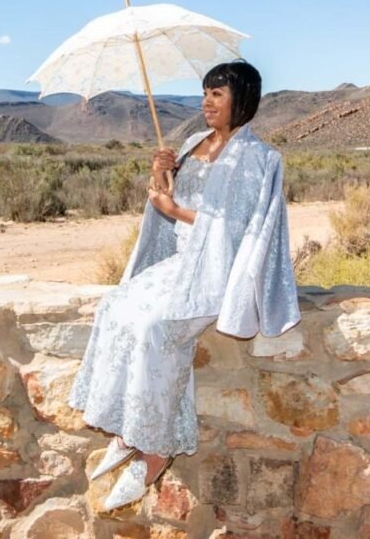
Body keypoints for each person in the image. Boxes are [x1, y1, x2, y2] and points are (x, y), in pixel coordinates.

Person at [66, 59, 301, 511]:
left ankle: (156, 448)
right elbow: (172, 198)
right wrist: (160, 172)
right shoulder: (194, 143)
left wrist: (173, 210)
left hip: (219, 269)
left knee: (158, 327)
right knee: (116, 307)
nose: (206, 102)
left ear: (242, 98)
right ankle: (129, 429)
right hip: (181, 262)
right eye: (205, 92)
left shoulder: (260, 158)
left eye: (217, 93)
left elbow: (234, 226)